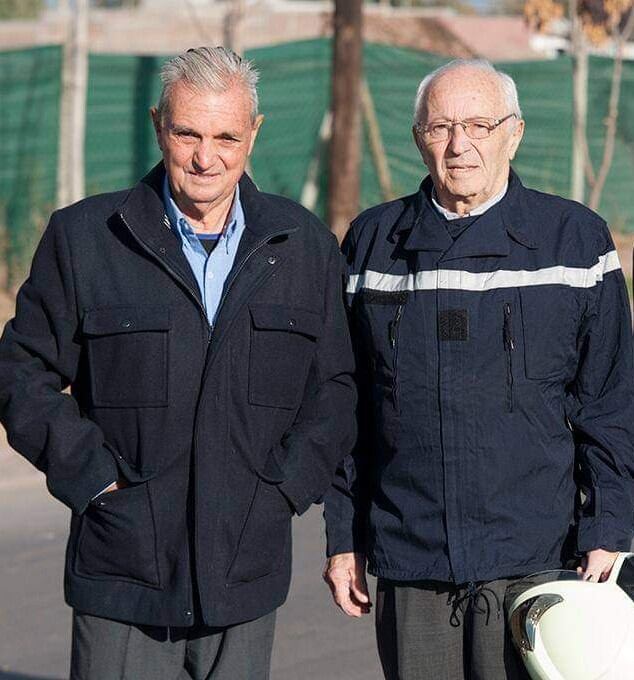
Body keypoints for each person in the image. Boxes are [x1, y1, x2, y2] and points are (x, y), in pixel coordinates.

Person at [0, 46, 355, 680]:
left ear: (255, 133)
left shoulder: (303, 248)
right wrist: (94, 480)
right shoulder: (86, 238)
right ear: (158, 123)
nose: (205, 156)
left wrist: (283, 492)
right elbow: (20, 370)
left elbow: (333, 390)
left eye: (226, 135)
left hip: (245, 572)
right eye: (187, 132)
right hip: (122, 571)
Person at [323, 58, 634, 680]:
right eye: (440, 128)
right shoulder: (372, 243)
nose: (459, 145)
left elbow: (609, 402)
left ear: (513, 133)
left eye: (478, 126)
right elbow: (345, 407)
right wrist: (342, 536)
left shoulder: (574, 241)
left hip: (541, 559)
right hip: (414, 564)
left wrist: (611, 525)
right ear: (419, 138)